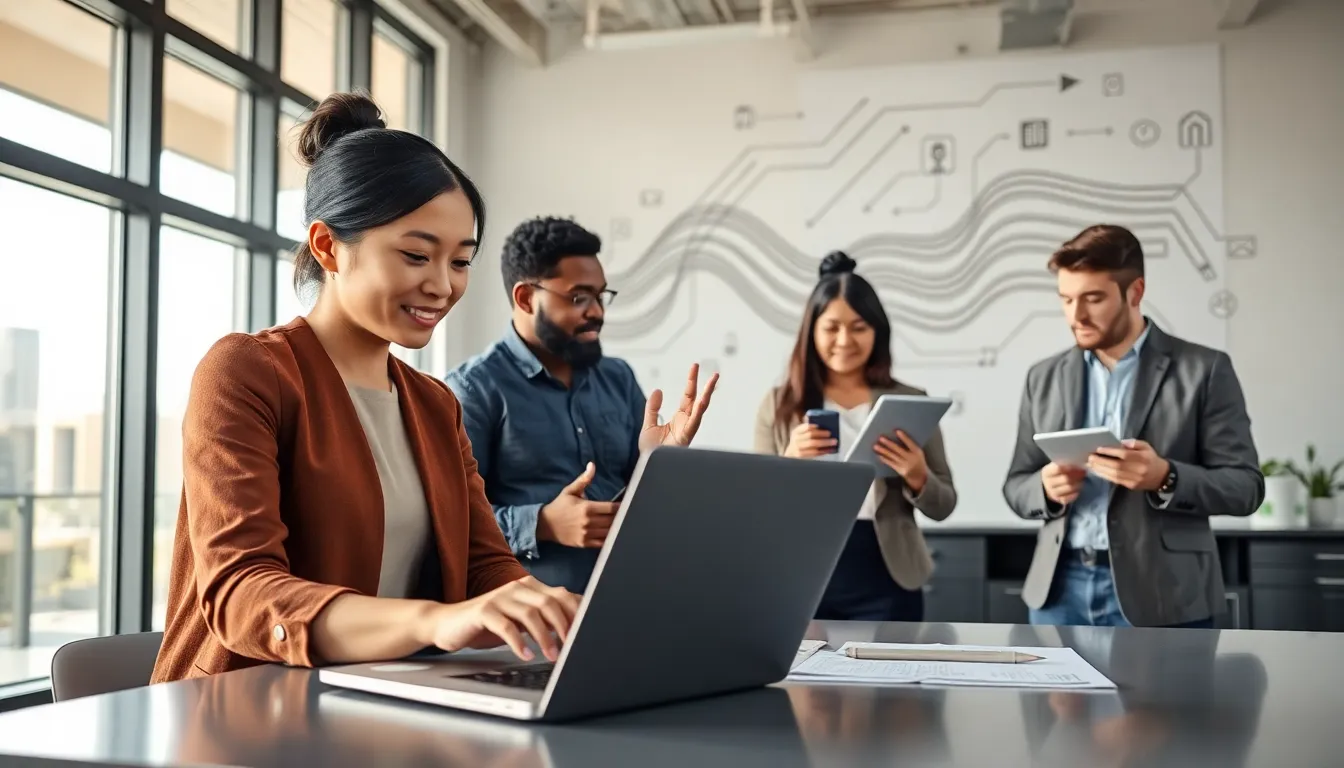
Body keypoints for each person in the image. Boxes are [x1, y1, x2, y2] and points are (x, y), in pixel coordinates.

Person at [151, 92, 578, 684]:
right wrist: (433, 622)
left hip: (384, 703)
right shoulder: (246, 371)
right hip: (240, 709)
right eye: (415, 255)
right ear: (327, 246)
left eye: (460, 261)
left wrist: (570, 616)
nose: (441, 285)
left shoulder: (435, 405)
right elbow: (242, 593)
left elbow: (485, 566)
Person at [1002, 224, 1263, 629]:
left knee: (1165, 698)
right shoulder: (1044, 377)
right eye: (1066, 299)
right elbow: (1016, 484)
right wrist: (1046, 489)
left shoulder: (1204, 370)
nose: (1077, 315)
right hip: (1058, 594)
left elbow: (1245, 487)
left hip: (1166, 594)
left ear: (1135, 292)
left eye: (1093, 298)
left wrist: (1165, 476)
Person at [444, 216, 718, 595]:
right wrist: (543, 524)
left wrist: (661, 462)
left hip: (630, 596)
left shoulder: (618, 377)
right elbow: (450, 523)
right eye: (579, 298)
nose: (597, 312)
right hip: (529, 623)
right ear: (525, 298)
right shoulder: (473, 390)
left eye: (601, 296)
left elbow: (647, 502)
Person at [753, 251, 958, 622]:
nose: (845, 340)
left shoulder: (911, 402)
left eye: (859, 326)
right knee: (806, 682)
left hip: (889, 573)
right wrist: (788, 463)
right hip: (803, 577)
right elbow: (759, 513)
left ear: (877, 331)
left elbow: (944, 505)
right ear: (811, 331)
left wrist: (917, 475)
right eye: (831, 327)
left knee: (890, 680)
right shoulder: (779, 405)